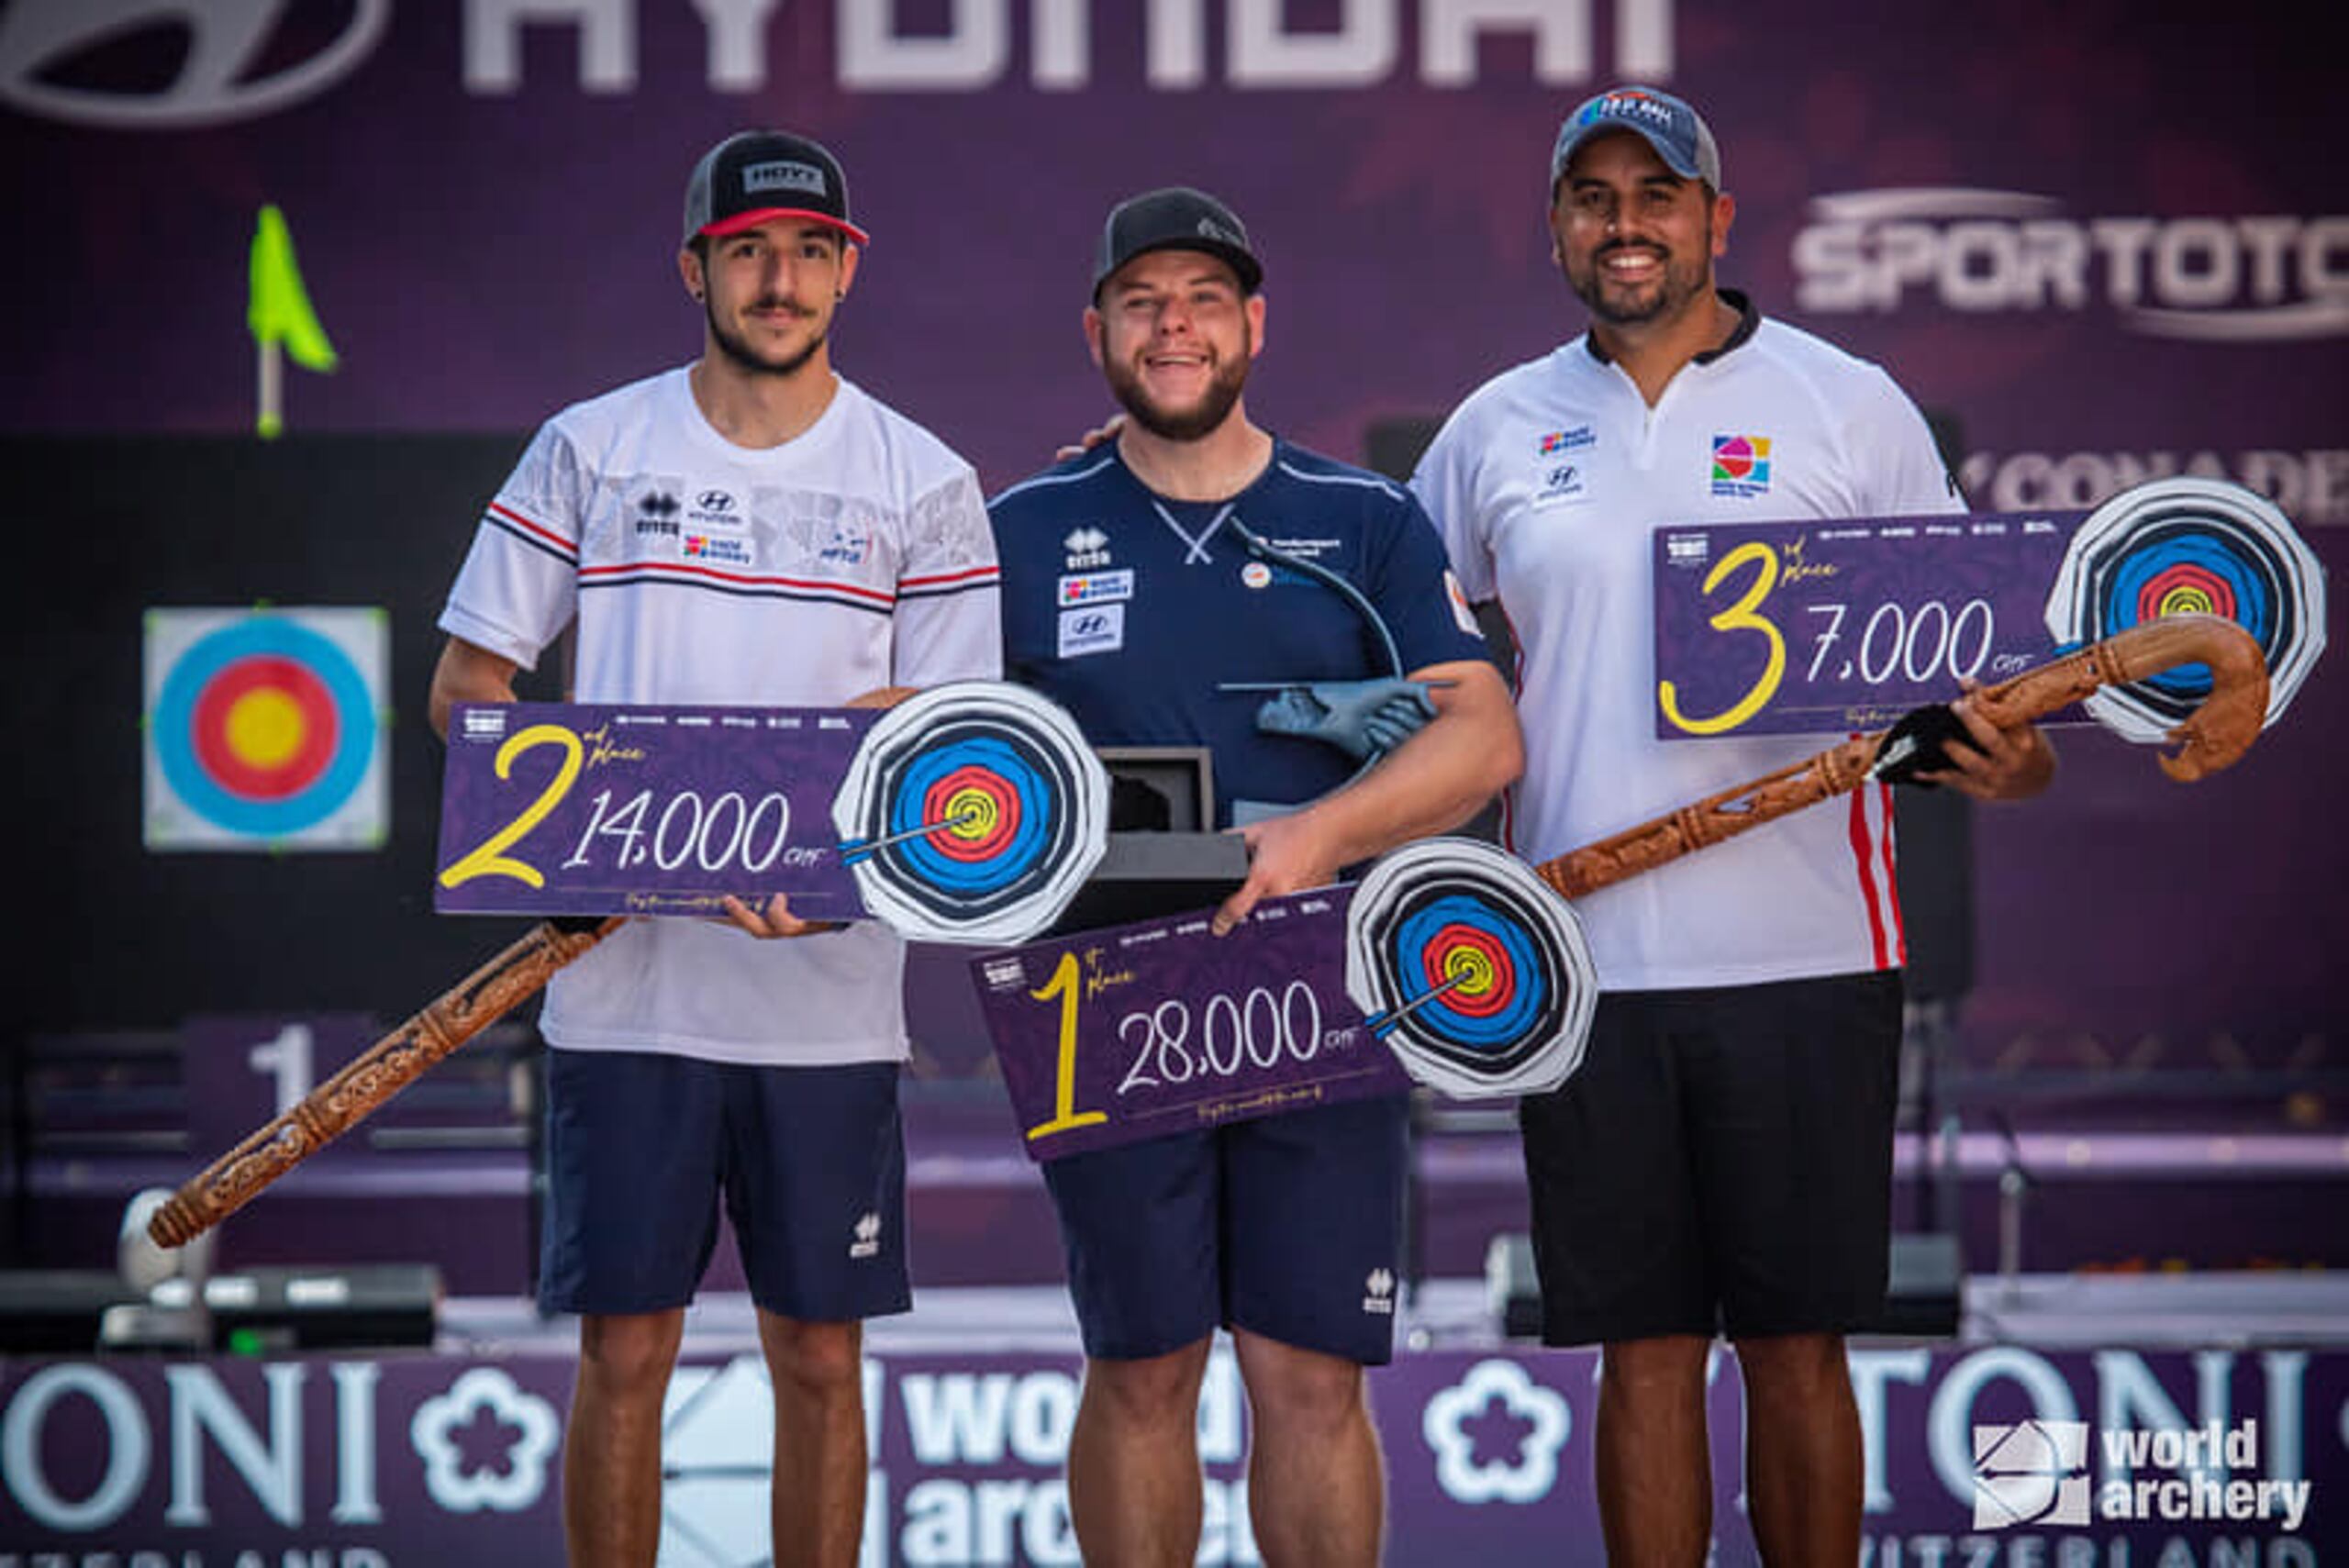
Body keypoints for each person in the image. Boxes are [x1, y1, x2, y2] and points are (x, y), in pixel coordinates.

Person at [1409, 86, 2055, 1565]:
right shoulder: (1491, 432)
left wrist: (2008, 760)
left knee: (1795, 1345)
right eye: (1595, 196)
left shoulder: (1848, 404)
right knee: (1638, 1353)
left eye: (1658, 194)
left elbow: (1988, 713)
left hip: (1807, 956)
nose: (1626, 224)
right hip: (1581, 966)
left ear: (1718, 218)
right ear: (1559, 223)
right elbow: (1415, 689)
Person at [427, 130, 1000, 1568]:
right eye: (747, 249)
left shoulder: (924, 480)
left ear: (847, 271)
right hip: (625, 995)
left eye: (810, 250)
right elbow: (468, 690)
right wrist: (584, 826)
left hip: (828, 999)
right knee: (627, 1352)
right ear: (695, 265)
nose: (779, 277)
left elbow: (952, 753)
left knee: (821, 1357)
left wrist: (831, 881)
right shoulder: (592, 447)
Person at [989, 187, 1523, 1567]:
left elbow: (1482, 731)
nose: (1176, 326)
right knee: (1143, 1366)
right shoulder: (1016, 530)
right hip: (1106, 993)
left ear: (1257, 325)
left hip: (1321, 979)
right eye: (1145, 300)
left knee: (1308, 1373)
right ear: (1096, 328)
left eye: (1205, 298)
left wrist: (1318, 838)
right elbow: (944, 753)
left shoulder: (1363, 518)